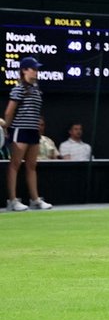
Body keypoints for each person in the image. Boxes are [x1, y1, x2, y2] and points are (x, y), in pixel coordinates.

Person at [3, 57, 53, 210]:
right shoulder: (18, 89)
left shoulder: (36, 89)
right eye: (34, 69)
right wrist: (7, 128)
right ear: (24, 70)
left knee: (32, 165)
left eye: (37, 69)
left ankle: (35, 199)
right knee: (15, 165)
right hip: (20, 130)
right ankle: (12, 200)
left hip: (33, 131)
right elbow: (9, 112)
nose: (36, 72)